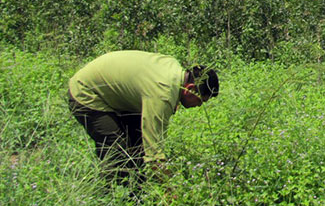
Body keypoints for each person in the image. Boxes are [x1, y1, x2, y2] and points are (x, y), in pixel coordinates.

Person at [68, 50, 219, 182]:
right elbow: (154, 156)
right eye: (200, 101)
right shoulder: (163, 95)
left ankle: (136, 190)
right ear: (189, 89)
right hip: (86, 92)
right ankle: (111, 196)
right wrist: (171, 189)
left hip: (110, 89)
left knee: (137, 145)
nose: (199, 106)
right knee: (117, 151)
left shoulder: (173, 67)